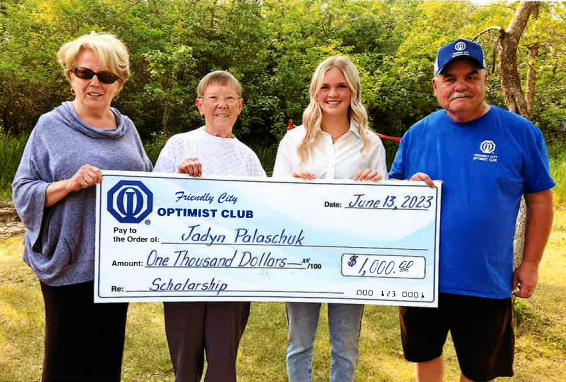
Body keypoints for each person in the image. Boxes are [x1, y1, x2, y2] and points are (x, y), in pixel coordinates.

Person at [389, 39, 555, 382]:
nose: (460, 85)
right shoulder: (417, 134)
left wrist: (531, 263)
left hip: (486, 279)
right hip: (423, 277)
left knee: (479, 370)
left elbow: (540, 199)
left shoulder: (522, 133)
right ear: (436, 86)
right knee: (426, 353)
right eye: (449, 78)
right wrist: (406, 189)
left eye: (470, 76)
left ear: (484, 80)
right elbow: (392, 199)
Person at [12, 32, 152, 382]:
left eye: (106, 77)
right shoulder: (50, 126)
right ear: (70, 76)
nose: (95, 83)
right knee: (65, 361)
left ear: (118, 84)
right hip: (69, 261)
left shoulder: (127, 127)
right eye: (85, 73)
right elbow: (24, 191)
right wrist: (71, 184)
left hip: (117, 262)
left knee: (105, 358)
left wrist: (183, 179)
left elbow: (149, 185)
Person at [272, 56, 388, 382]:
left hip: (350, 260)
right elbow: (274, 202)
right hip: (301, 255)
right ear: (315, 91)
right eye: (325, 86)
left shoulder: (371, 144)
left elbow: (384, 214)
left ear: (353, 91)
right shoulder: (293, 142)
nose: (332, 93)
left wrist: (374, 192)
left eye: (341, 86)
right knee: (299, 345)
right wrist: (294, 187)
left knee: (346, 348)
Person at [153, 70, 266, 382]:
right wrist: (178, 178)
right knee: (185, 359)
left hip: (231, 274)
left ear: (240, 106)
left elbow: (266, 213)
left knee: (222, 360)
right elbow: (153, 199)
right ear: (199, 105)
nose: (222, 105)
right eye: (214, 98)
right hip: (181, 270)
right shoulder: (179, 145)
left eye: (230, 98)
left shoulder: (248, 158)